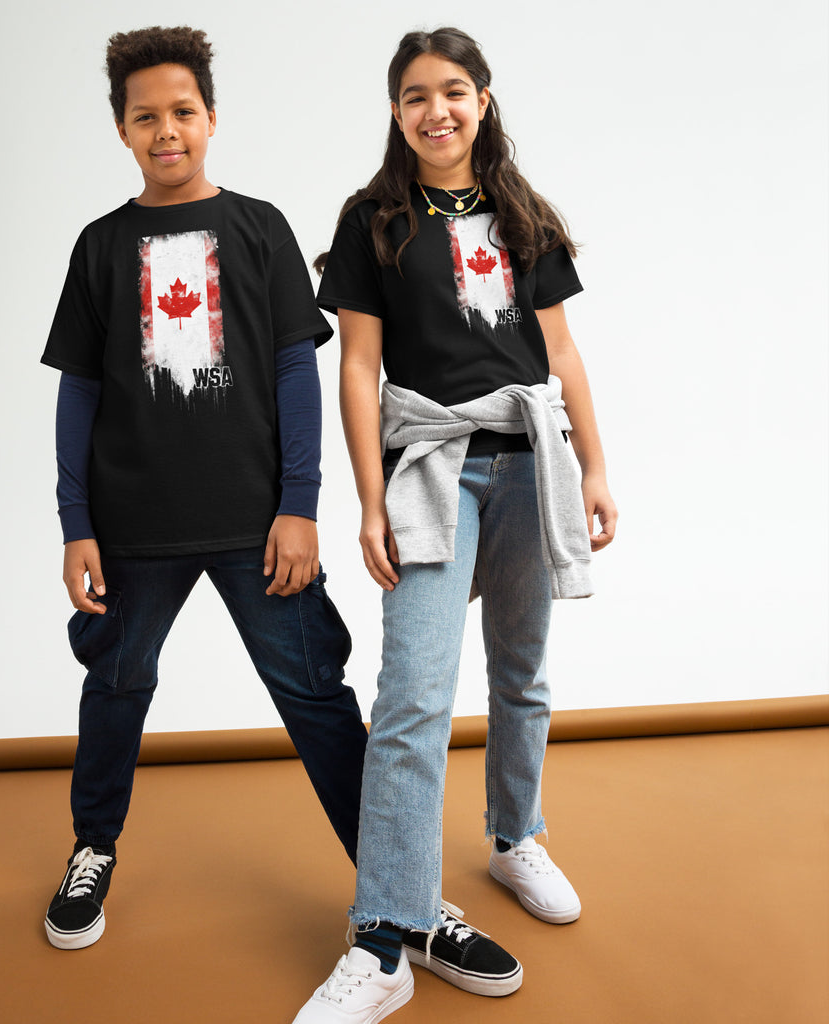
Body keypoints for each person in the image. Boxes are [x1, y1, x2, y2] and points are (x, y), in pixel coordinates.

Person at [39, 28, 516, 995]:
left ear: (211, 118)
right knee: (116, 685)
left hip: (260, 530)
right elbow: (78, 392)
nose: (166, 131)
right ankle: (93, 846)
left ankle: (404, 900)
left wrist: (300, 506)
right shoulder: (100, 247)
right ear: (121, 129)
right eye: (145, 116)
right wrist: (75, 521)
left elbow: (301, 376)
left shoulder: (258, 230)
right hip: (131, 530)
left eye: (183, 112)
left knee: (319, 703)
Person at [293, 26, 617, 1023]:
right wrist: (367, 499)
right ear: (396, 113)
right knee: (413, 696)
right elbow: (357, 368)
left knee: (521, 668)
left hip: (531, 464)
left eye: (452, 91)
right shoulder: (373, 222)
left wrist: (596, 465)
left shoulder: (524, 216)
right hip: (433, 467)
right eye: (414, 97)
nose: (435, 111)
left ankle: (516, 837)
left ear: (482, 99)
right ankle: (384, 937)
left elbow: (562, 355)